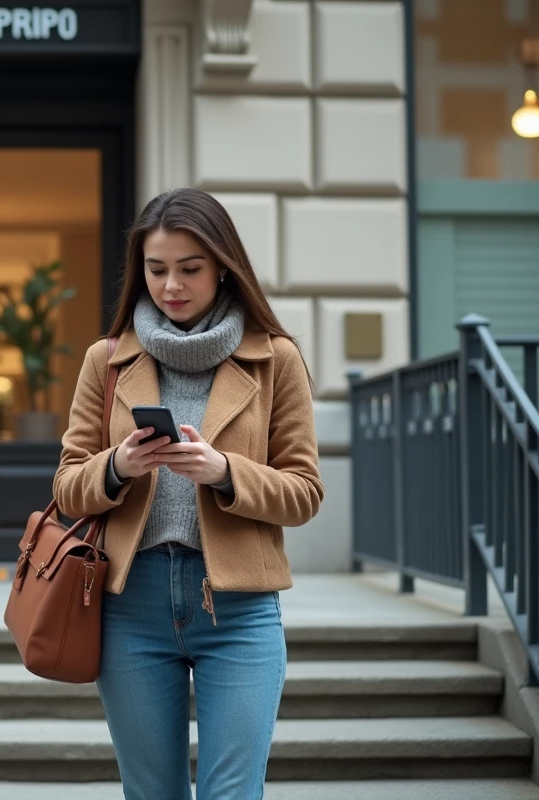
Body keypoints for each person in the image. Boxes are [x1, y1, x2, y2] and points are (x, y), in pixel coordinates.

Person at [53, 188, 323, 800]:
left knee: (233, 792)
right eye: (156, 269)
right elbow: (68, 488)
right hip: (131, 606)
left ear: (223, 266)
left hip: (239, 608)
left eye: (190, 268)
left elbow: (305, 493)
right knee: (152, 794)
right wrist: (118, 466)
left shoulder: (274, 359)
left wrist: (225, 471)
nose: (171, 284)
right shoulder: (108, 361)